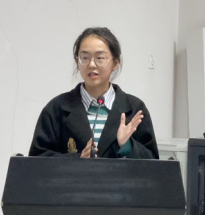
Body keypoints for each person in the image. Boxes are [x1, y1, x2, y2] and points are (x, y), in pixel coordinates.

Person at [29, 27, 159, 159]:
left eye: (100, 58)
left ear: (115, 63)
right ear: (77, 61)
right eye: (85, 57)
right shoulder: (56, 108)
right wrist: (77, 160)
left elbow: (153, 164)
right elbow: (37, 160)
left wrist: (127, 145)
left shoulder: (135, 109)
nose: (91, 64)